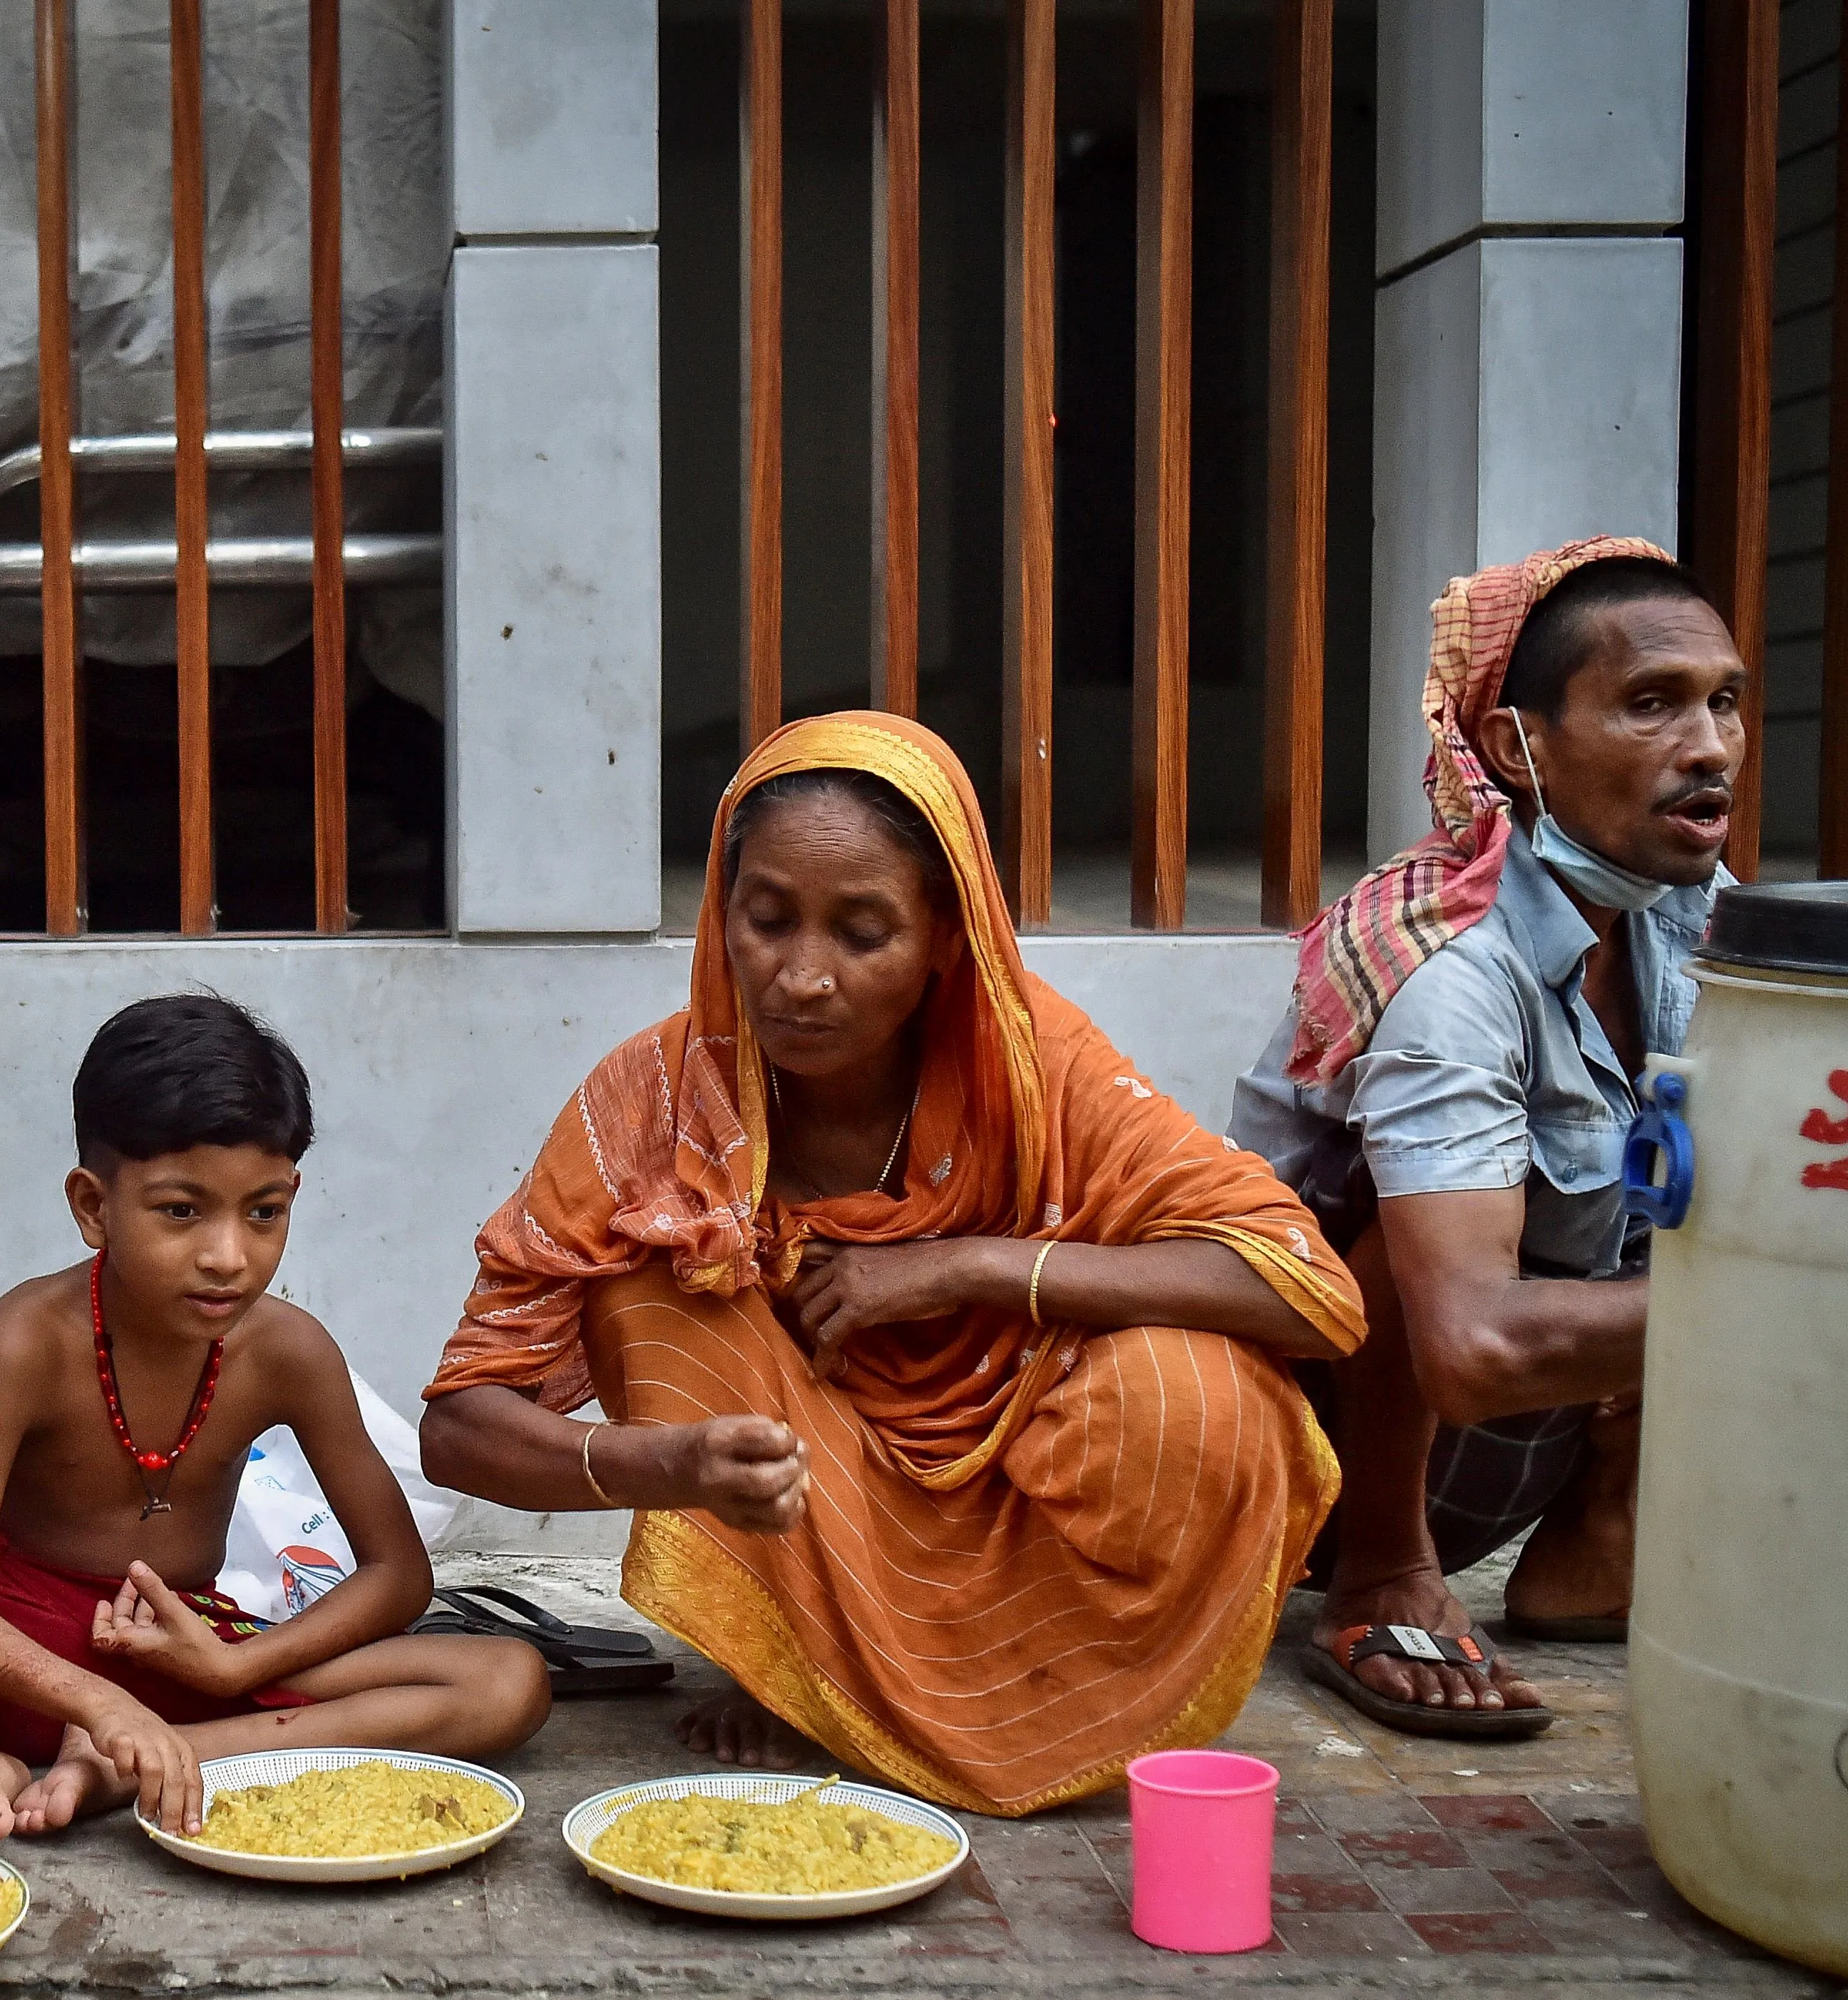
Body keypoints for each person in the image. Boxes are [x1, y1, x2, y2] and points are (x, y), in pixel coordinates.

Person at [416, 714, 1366, 1818]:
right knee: (656, 1288)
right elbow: (460, 1424)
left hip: (1019, 1511)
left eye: (862, 933)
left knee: (1197, 1393)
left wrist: (966, 1268)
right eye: (766, 921)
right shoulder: (656, 1101)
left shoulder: (1038, 1069)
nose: (803, 978)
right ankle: (796, 1670)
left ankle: (1016, 1702)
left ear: (945, 940)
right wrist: (665, 1466)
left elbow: (1304, 1287)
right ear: (722, 917)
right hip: (803, 1513)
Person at [1228, 540, 1741, 1740]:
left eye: (1721, 701)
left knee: (1695, 1186)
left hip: (1524, 1444)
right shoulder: (1448, 966)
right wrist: (1796, 1306)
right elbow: (1462, 1345)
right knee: (1403, 1240)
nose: (1708, 744)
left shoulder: (1684, 920)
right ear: (1516, 749)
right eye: (1650, 704)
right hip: (1326, 1450)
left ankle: (1591, 1543)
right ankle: (1378, 1575)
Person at [0, 995, 551, 1835]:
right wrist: (97, 1699)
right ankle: (139, 1739)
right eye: (181, 1210)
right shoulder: (27, 1340)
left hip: (190, 1646)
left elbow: (398, 1574)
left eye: (264, 1211)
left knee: (511, 1681)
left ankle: (156, 1755)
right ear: (94, 1207)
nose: (227, 1257)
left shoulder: (289, 1352)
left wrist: (233, 1662)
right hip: (28, 1658)